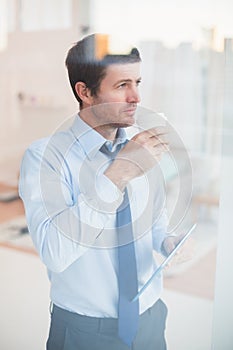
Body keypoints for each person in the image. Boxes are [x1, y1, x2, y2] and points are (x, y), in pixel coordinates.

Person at [19, 33, 179, 350]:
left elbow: (154, 218)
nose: (136, 97)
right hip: (85, 333)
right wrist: (118, 174)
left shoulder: (140, 145)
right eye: (122, 86)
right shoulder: (44, 157)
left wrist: (166, 240)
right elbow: (55, 253)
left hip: (151, 320)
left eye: (137, 82)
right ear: (85, 92)